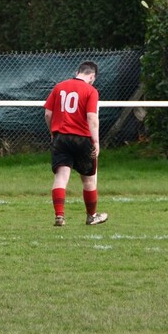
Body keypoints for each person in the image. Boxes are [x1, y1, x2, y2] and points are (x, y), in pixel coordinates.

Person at [43, 61, 108, 227]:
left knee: (61, 176)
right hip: (82, 138)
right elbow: (92, 117)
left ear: (77, 71)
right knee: (89, 180)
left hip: (60, 137)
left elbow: (48, 114)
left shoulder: (59, 87)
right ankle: (91, 216)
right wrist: (96, 141)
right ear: (92, 76)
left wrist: (53, 133)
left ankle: (59, 216)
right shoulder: (91, 91)